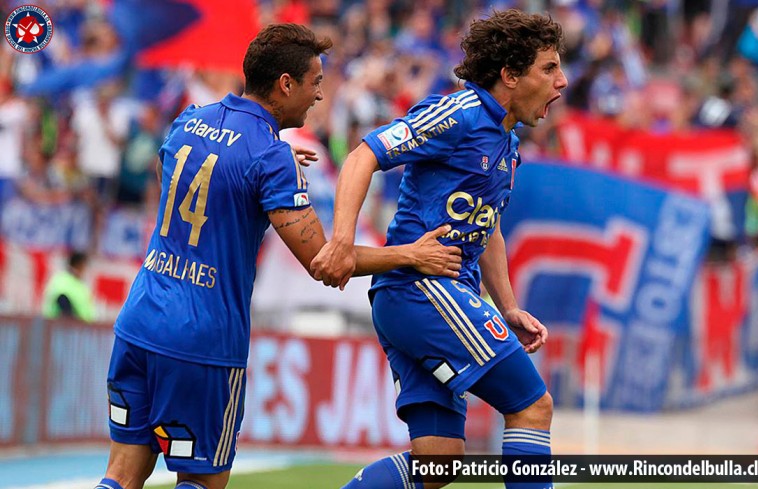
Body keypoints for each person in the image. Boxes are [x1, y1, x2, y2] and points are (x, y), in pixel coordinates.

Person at [95, 24, 461, 489]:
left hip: (140, 320)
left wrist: (272, 165)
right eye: (314, 83)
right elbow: (326, 263)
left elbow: (213, 164)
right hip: (202, 341)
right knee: (200, 480)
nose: (319, 97)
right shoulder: (270, 159)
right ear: (286, 84)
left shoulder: (188, 119)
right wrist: (411, 255)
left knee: (122, 472)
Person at [311, 9, 567, 489]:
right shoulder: (460, 113)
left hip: (422, 297)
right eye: (549, 68)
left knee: (439, 463)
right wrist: (343, 240)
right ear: (510, 75)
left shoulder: (506, 140)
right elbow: (365, 155)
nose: (563, 81)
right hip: (421, 290)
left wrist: (507, 304)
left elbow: (486, 226)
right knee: (533, 406)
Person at [42, 250, 95, 322]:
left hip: (79, 330)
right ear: (77, 265)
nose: (85, 270)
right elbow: (61, 300)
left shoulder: (81, 285)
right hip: (61, 327)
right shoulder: (62, 279)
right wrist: (72, 322)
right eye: (83, 266)